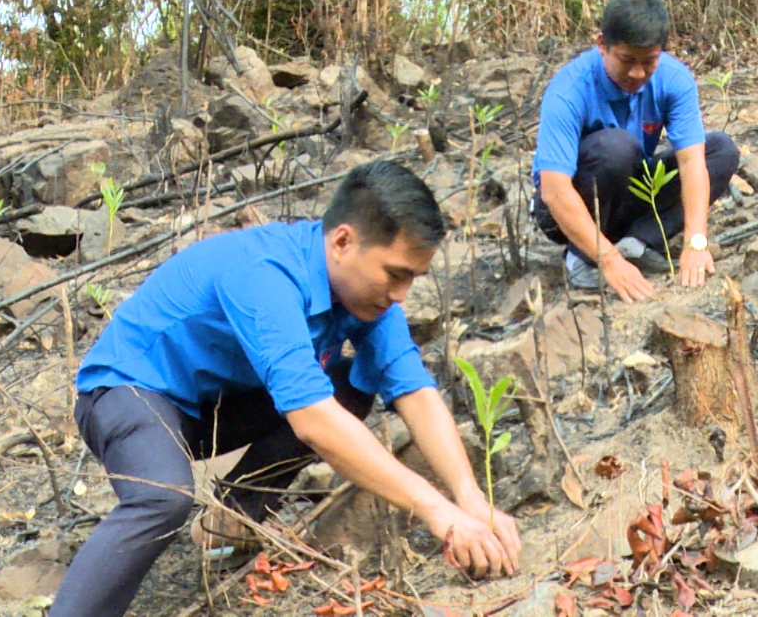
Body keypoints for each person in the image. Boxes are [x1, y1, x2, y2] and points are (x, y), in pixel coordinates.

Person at [49, 161, 522, 617]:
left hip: (209, 408)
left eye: (412, 279)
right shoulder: (265, 273)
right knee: (164, 495)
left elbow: (414, 391)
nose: (402, 295)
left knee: (349, 388)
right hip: (125, 394)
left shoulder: (366, 299)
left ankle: (229, 521)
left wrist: (471, 501)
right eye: (395, 273)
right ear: (342, 241)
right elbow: (313, 422)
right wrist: (435, 509)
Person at [531, 0, 740, 301]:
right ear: (602, 44)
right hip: (568, 205)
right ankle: (583, 256)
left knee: (720, 150)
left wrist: (697, 241)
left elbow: (692, 163)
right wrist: (608, 261)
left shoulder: (674, 79)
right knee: (615, 147)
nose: (637, 73)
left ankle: (637, 242)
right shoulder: (568, 89)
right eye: (626, 60)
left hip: (629, 189)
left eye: (649, 61)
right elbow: (554, 190)